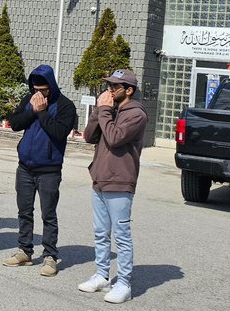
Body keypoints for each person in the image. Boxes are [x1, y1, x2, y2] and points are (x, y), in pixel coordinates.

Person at [77, 69, 148, 305]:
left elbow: (116, 137)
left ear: (129, 90)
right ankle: (101, 275)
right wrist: (99, 111)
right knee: (100, 233)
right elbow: (89, 136)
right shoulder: (111, 110)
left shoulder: (136, 114)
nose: (110, 90)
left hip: (120, 180)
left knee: (121, 236)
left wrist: (105, 111)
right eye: (109, 85)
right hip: (100, 177)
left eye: (115, 87)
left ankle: (124, 283)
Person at [3, 64, 78, 277]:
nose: (38, 94)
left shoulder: (65, 106)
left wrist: (43, 112)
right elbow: (15, 123)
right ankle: (24, 250)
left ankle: (50, 256)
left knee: (49, 214)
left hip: (49, 170)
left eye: (43, 90)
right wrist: (33, 111)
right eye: (35, 89)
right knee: (24, 211)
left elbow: (59, 132)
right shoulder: (29, 100)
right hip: (25, 167)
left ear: (51, 87)